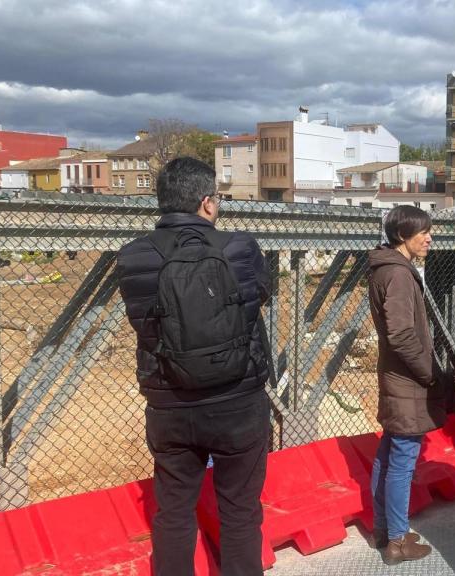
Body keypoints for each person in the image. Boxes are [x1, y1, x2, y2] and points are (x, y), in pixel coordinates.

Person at [116, 157, 271, 575]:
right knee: (240, 512)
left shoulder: (132, 259)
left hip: (171, 405)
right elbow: (261, 294)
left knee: (173, 511)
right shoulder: (240, 247)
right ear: (207, 203)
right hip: (239, 401)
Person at [366, 205, 447, 564]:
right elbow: (400, 334)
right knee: (402, 461)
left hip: (395, 376)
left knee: (388, 455)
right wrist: (429, 371)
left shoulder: (386, 268)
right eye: (423, 232)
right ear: (402, 236)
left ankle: (384, 529)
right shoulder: (398, 274)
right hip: (408, 381)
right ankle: (396, 542)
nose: (429, 237)